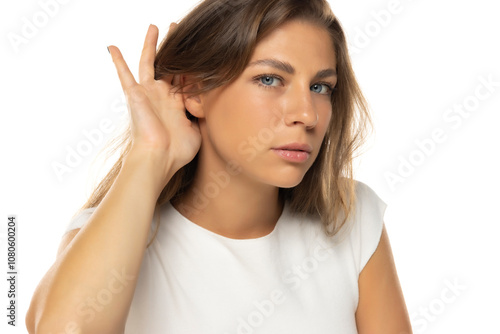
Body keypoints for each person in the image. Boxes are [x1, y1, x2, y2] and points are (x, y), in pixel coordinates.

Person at [26, 0, 412, 333]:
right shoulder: (112, 235)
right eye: (269, 79)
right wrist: (149, 152)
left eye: (320, 87)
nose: (307, 115)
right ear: (193, 91)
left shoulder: (350, 215)